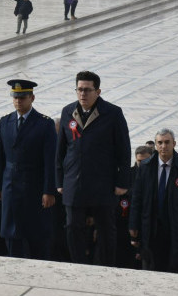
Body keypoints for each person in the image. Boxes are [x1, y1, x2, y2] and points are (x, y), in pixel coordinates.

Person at [56, 70, 131, 266]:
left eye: (87, 90)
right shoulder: (67, 112)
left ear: (98, 91)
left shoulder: (113, 113)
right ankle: (78, 265)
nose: (83, 94)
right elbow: (61, 150)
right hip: (74, 181)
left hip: (102, 182)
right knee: (73, 226)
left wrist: (122, 181)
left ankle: (105, 267)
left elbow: (124, 149)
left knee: (106, 229)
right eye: (79, 89)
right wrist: (59, 181)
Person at [0, 79, 56, 259]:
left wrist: (48, 190)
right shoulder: (5, 121)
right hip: (11, 185)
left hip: (34, 186)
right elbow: (0, 157)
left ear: (32, 98)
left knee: (36, 235)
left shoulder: (45, 123)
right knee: (12, 235)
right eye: (15, 97)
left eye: (22, 97)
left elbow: (50, 160)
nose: (18, 101)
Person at [129, 128, 178, 273]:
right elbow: (137, 198)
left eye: (167, 142)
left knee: (176, 267)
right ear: (155, 145)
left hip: (177, 226)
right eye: (160, 143)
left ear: (174, 143)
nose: (163, 146)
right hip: (152, 226)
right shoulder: (145, 166)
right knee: (152, 266)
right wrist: (133, 225)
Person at [115, 145, 152, 269]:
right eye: (139, 161)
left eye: (145, 161)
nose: (142, 164)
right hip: (127, 220)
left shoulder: (155, 175)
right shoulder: (128, 174)